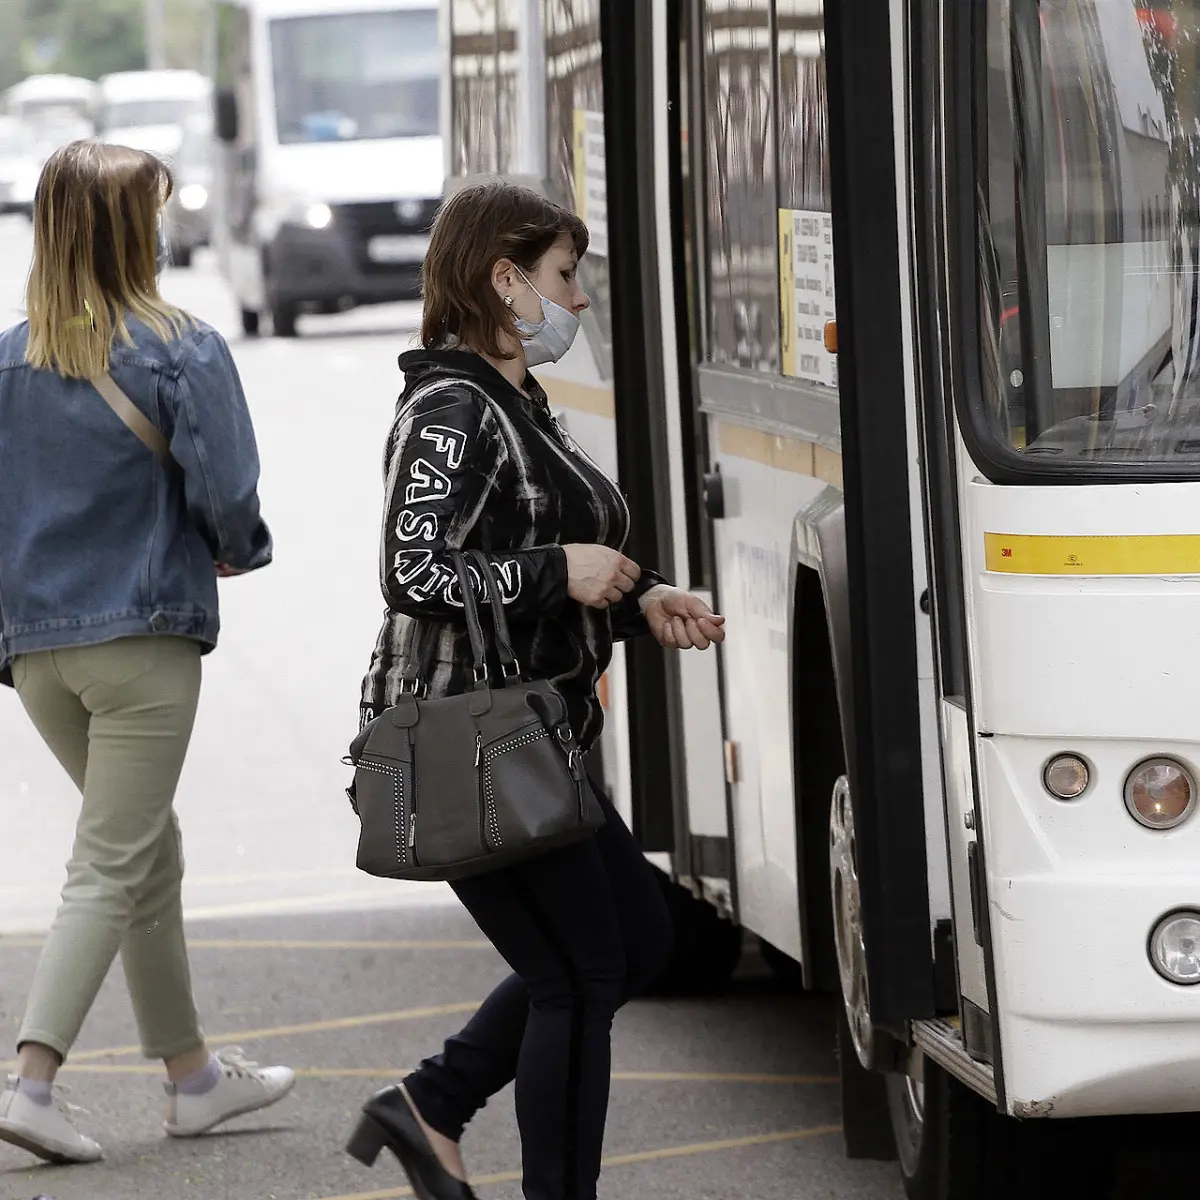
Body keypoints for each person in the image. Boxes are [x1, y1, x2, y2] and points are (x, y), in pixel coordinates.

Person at [348, 181, 726, 1200]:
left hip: (534, 735)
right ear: (503, 279)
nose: (581, 299)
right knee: (581, 976)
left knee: (641, 941)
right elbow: (413, 571)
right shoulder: (449, 406)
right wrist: (558, 572)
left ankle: (433, 1101)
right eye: (567, 274)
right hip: (472, 737)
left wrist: (642, 594)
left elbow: (546, 535)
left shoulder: (516, 400)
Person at [0, 140, 295, 1165]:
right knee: (111, 859)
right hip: (141, 643)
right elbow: (229, 492)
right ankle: (32, 1083)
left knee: (144, 853)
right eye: (159, 213)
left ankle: (193, 1078)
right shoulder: (180, 347)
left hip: (37, 656)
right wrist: (235, 551)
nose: (169, 229)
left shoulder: (9, 357)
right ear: (137, 232)